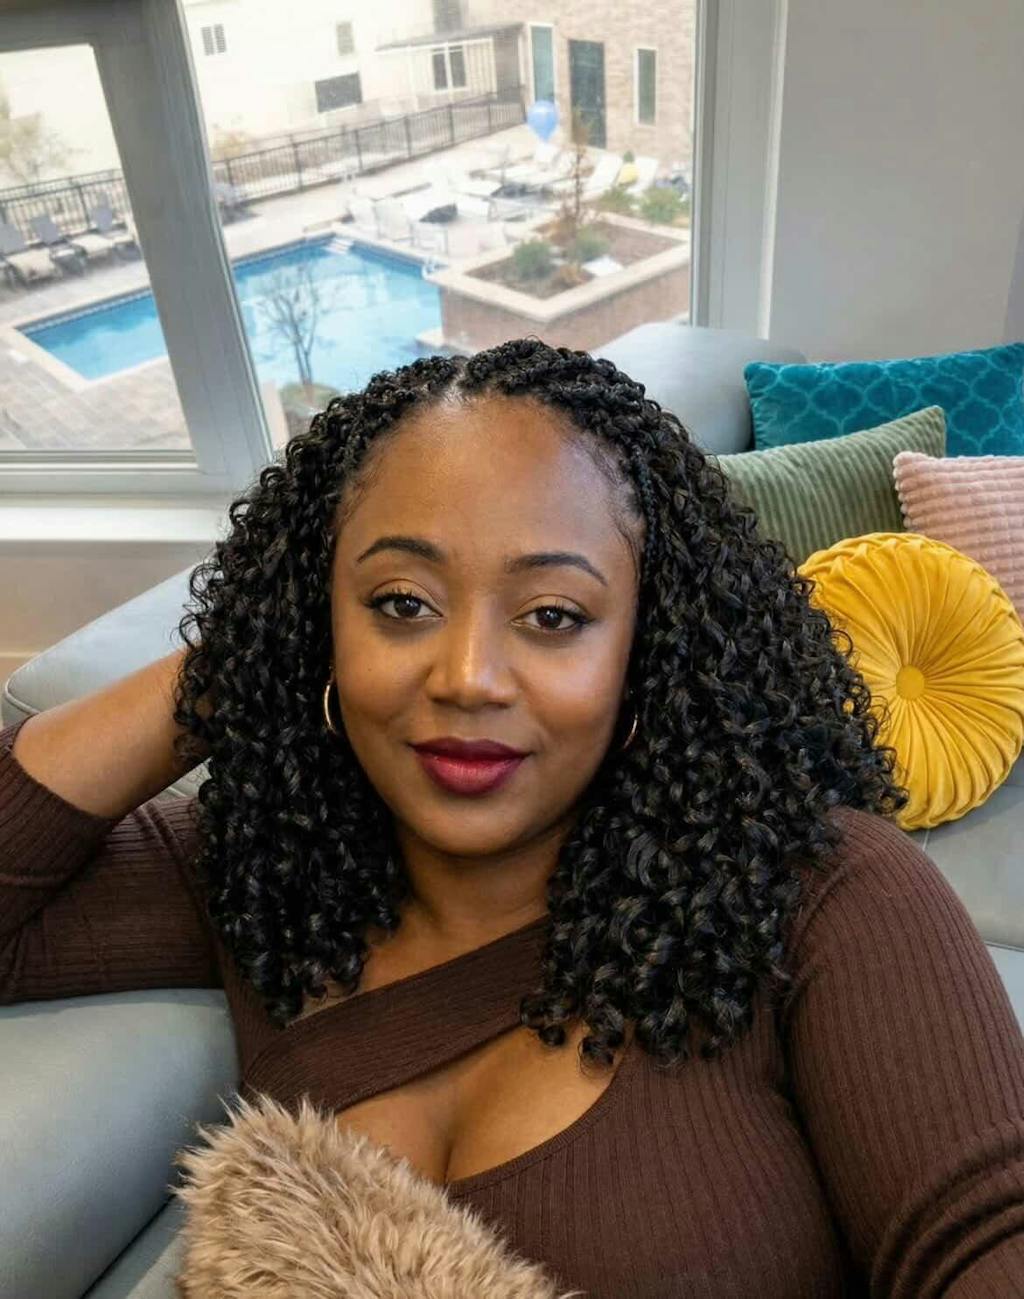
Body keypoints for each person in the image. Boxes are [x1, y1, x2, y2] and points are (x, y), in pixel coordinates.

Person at [3, 338, 1023, 1297]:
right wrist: (246, 656)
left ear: (646, 647)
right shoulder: (266, 869)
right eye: (401, 602)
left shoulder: (823, 891)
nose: (468, 677)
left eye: (553, 616)